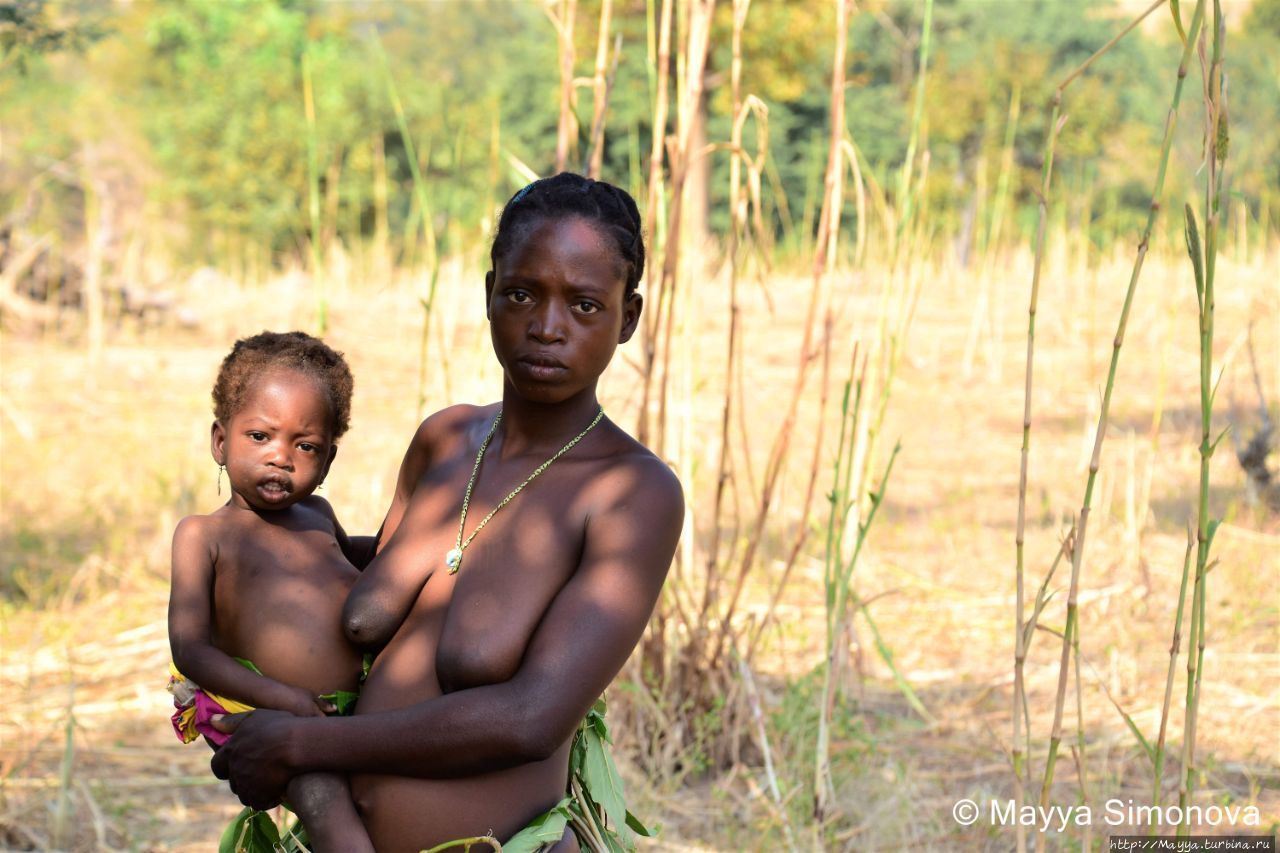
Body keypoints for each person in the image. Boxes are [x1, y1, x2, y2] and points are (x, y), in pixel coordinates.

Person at [210, 174, 684, 852]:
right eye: (522, 294)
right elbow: (362, 600)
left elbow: (530, 719)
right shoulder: (445, 440)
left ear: (628, 318)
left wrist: (298, 742)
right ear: (491, 291)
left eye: (584, 305)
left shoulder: (631, 493)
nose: (548, 328)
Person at [167, 330, 375, 853]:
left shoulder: (320, 517)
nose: (281, 457)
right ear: (221, 441)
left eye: (304, 446)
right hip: (263, 711)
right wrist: (283, 701)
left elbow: (362, 564)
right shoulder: (204, 536)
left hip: (343, 713)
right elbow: (190, 649)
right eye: (260, 437)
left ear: (327, 461)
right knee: (323, 797)